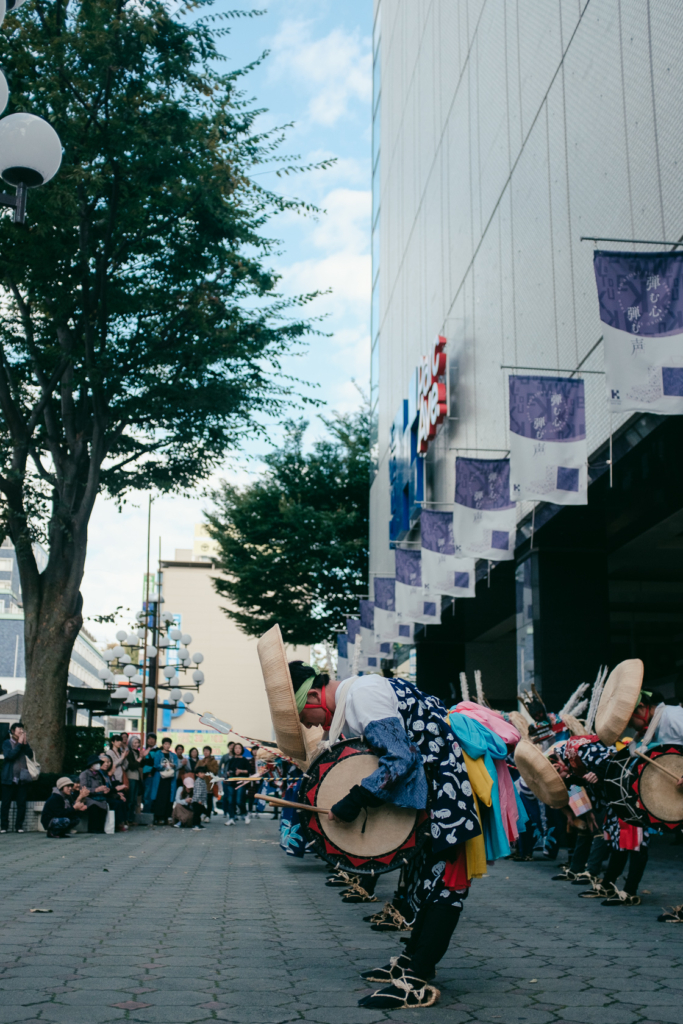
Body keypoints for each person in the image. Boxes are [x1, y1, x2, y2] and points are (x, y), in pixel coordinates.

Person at [289, 661, 482, 1010]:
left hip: (446, 791)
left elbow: (401, 758)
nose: (307, 724)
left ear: (315, 695)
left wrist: (356, 799)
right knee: (426, 880)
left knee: (446, 883)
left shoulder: (363, 696)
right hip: (433, 794)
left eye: (305, 714)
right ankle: (413, 960)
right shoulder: (358, 698)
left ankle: (417, 979)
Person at [1, 722, 34, 834]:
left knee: (21, 804)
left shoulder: (24, 743)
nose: (21, 732)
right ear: (12, 731)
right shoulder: (7, 743)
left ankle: (19, 826)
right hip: (9, 779)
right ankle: (4, 826)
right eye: (19, 730)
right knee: (6, 804)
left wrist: (24, 744)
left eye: (22, 730)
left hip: (22, 779)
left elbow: (30, 755)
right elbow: (9, 756)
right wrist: (19, 744)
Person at [79, 755, 114, 833]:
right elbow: (83, 788)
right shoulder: (84, 774)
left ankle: (100, 829)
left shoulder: (99, 775)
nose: (98, 765)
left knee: (103, 807)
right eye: (96, 763)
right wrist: (95, 790)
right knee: (94, 807)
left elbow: (102, 786)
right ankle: (92, 829)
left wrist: (105, 790)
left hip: (100, 797)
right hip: (89, 797)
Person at [148, 737, 179, 824]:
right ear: (163, 744)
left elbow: (176, 764)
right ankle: (158, 817)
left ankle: (166, 817)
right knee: (159, 797)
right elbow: (156, 764)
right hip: (160, 778)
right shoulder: (158, 753)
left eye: (168, 744)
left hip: (170, 779)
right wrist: (163, 765)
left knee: (168, 797)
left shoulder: (173, 755)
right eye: (165, 744)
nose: (167, 745)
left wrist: (172, 765)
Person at [223, 742, 251, 825]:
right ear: (233, 749)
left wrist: (241, 771)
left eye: (239, 748)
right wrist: (228, 773)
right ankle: (232, 818)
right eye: (236, 748)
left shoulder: (245, 760)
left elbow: (249, 771)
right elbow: (227, 770)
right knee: (231, 801)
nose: (237, 750)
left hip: (241, 783)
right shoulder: (230, 760)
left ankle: (245, 814)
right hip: (231, 783)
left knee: (239, 801)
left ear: (242, 749)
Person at [101, 753, 129, 831]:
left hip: (108, 794)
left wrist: (117, 793)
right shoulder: (101, 774)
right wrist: (116, 792)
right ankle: (118, 824)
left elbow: (110, 789)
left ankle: (122, 822)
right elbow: (107, 789)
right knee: (117, 802)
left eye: (108, 762)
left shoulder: (105, 774)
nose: (106, 764)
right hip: (102, 796)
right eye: (104, 762)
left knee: (122, 799)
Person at [196, 746, 219, 817]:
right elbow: (196, 770)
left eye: (207, 751)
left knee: (209, 800)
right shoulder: (200, 761)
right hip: (201, 783)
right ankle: (203, 813)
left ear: (210, 752)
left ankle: (208, 815)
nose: (205, 752)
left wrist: (208, 765)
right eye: (204, 751)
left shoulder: (214, 761)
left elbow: (215, 771)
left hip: (209, 783)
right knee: (199, 799)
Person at [125, 736, 143, 823]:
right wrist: (140, 758)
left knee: (135, 800)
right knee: (130, 799)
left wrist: (143, 757)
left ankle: (131, 819)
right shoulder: (129, 753)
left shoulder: (137, 752)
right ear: (130, 743)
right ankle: (128, 819)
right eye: (135, 743)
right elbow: (132, 766)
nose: (136, 744)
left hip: (136, 778)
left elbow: (140, 765)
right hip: (131, 777)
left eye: (138, 743)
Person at [142, 733, 159, 810]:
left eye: (153, 739)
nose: (151, 741)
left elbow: (156, 764)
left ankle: (147, 815)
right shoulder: (145, 750)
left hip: (152, 776)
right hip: (145, 776)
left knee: (148, 795)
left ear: (155, 741)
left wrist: (151, 773)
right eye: (149, 739)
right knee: (145, 795)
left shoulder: (158, 751)